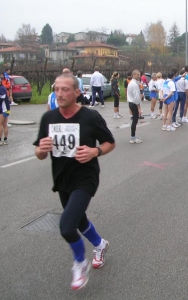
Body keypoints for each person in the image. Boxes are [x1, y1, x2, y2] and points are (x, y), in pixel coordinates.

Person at [33, 74, 115, 290]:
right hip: (62, 179)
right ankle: (100, 244)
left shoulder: (90, 117)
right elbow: (39, 153)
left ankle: (80, 263)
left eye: (65, 89)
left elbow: (110, 143)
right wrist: (41, 150)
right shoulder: (48, 118)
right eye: (56, 89)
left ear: (77, 92)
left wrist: (94, 151)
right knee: (79, 220)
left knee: (67, 227)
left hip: (85, 178)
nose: (59, 93)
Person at [127, 70, 142, 143]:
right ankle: (132, 137)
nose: (139, 76)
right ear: (133, 75)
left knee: (135, 120)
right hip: (133, 103)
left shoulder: (133, 83)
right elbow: (136, 97)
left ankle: (134, 135)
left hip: (131, 102)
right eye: (137, 75)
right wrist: (139, 107)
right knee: (135, 121)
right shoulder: (134, 84)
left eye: (139, 75)